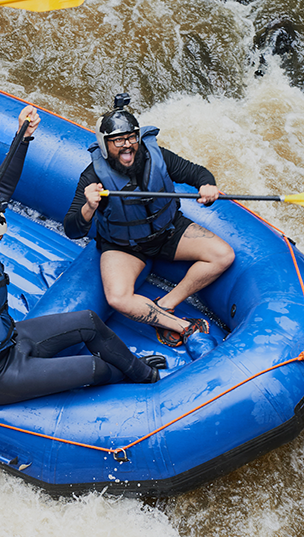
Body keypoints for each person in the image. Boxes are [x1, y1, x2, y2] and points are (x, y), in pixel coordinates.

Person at [0, 106, 166, 406]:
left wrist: (23, 138)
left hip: (13, 342)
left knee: (88, 321)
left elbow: (1, 193)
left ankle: (139, 371)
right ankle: (130, 375)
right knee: (94, 368)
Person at [63, 94, 235, 348]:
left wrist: (207, 186)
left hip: (168, 231)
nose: (126, 146)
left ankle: (166, 303)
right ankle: (182, 327)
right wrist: (90, 206)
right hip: (124, 246)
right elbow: (72, 229)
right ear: (104, 145)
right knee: (118, 298)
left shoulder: (156, 156)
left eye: (131, 137)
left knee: (223, 255)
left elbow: (196, 172)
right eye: (118, 140)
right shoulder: (92, 176)